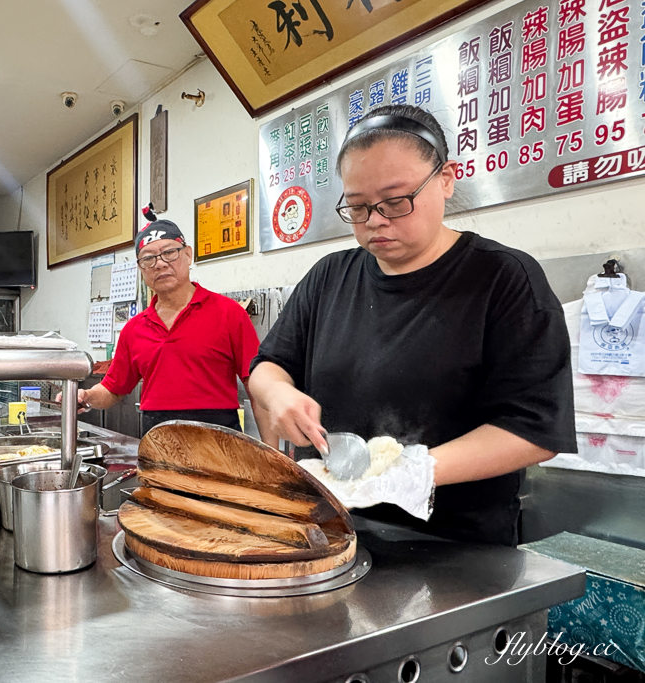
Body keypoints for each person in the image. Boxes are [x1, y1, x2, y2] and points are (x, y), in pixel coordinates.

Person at [248, 104, 576, 546]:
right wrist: (278, 393)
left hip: (452, 546)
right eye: (358, 207)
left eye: (396, 201)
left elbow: (535, 429)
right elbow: (269, 364)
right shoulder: (330, 276)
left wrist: (409, 472)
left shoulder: (502, 279)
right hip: (332, 530)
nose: (376, 221)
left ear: (445, 179)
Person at [76, 215, 273, 442]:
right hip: (158, 444)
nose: (159, 263)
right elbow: (114, 389)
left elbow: (258, 391)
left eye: (169, 252)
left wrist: (274, 458)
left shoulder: (230, 313)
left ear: (188, 254)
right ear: (141, 269)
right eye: (148, 258)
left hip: (220, 445)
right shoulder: (134, 329)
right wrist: (86, 396)